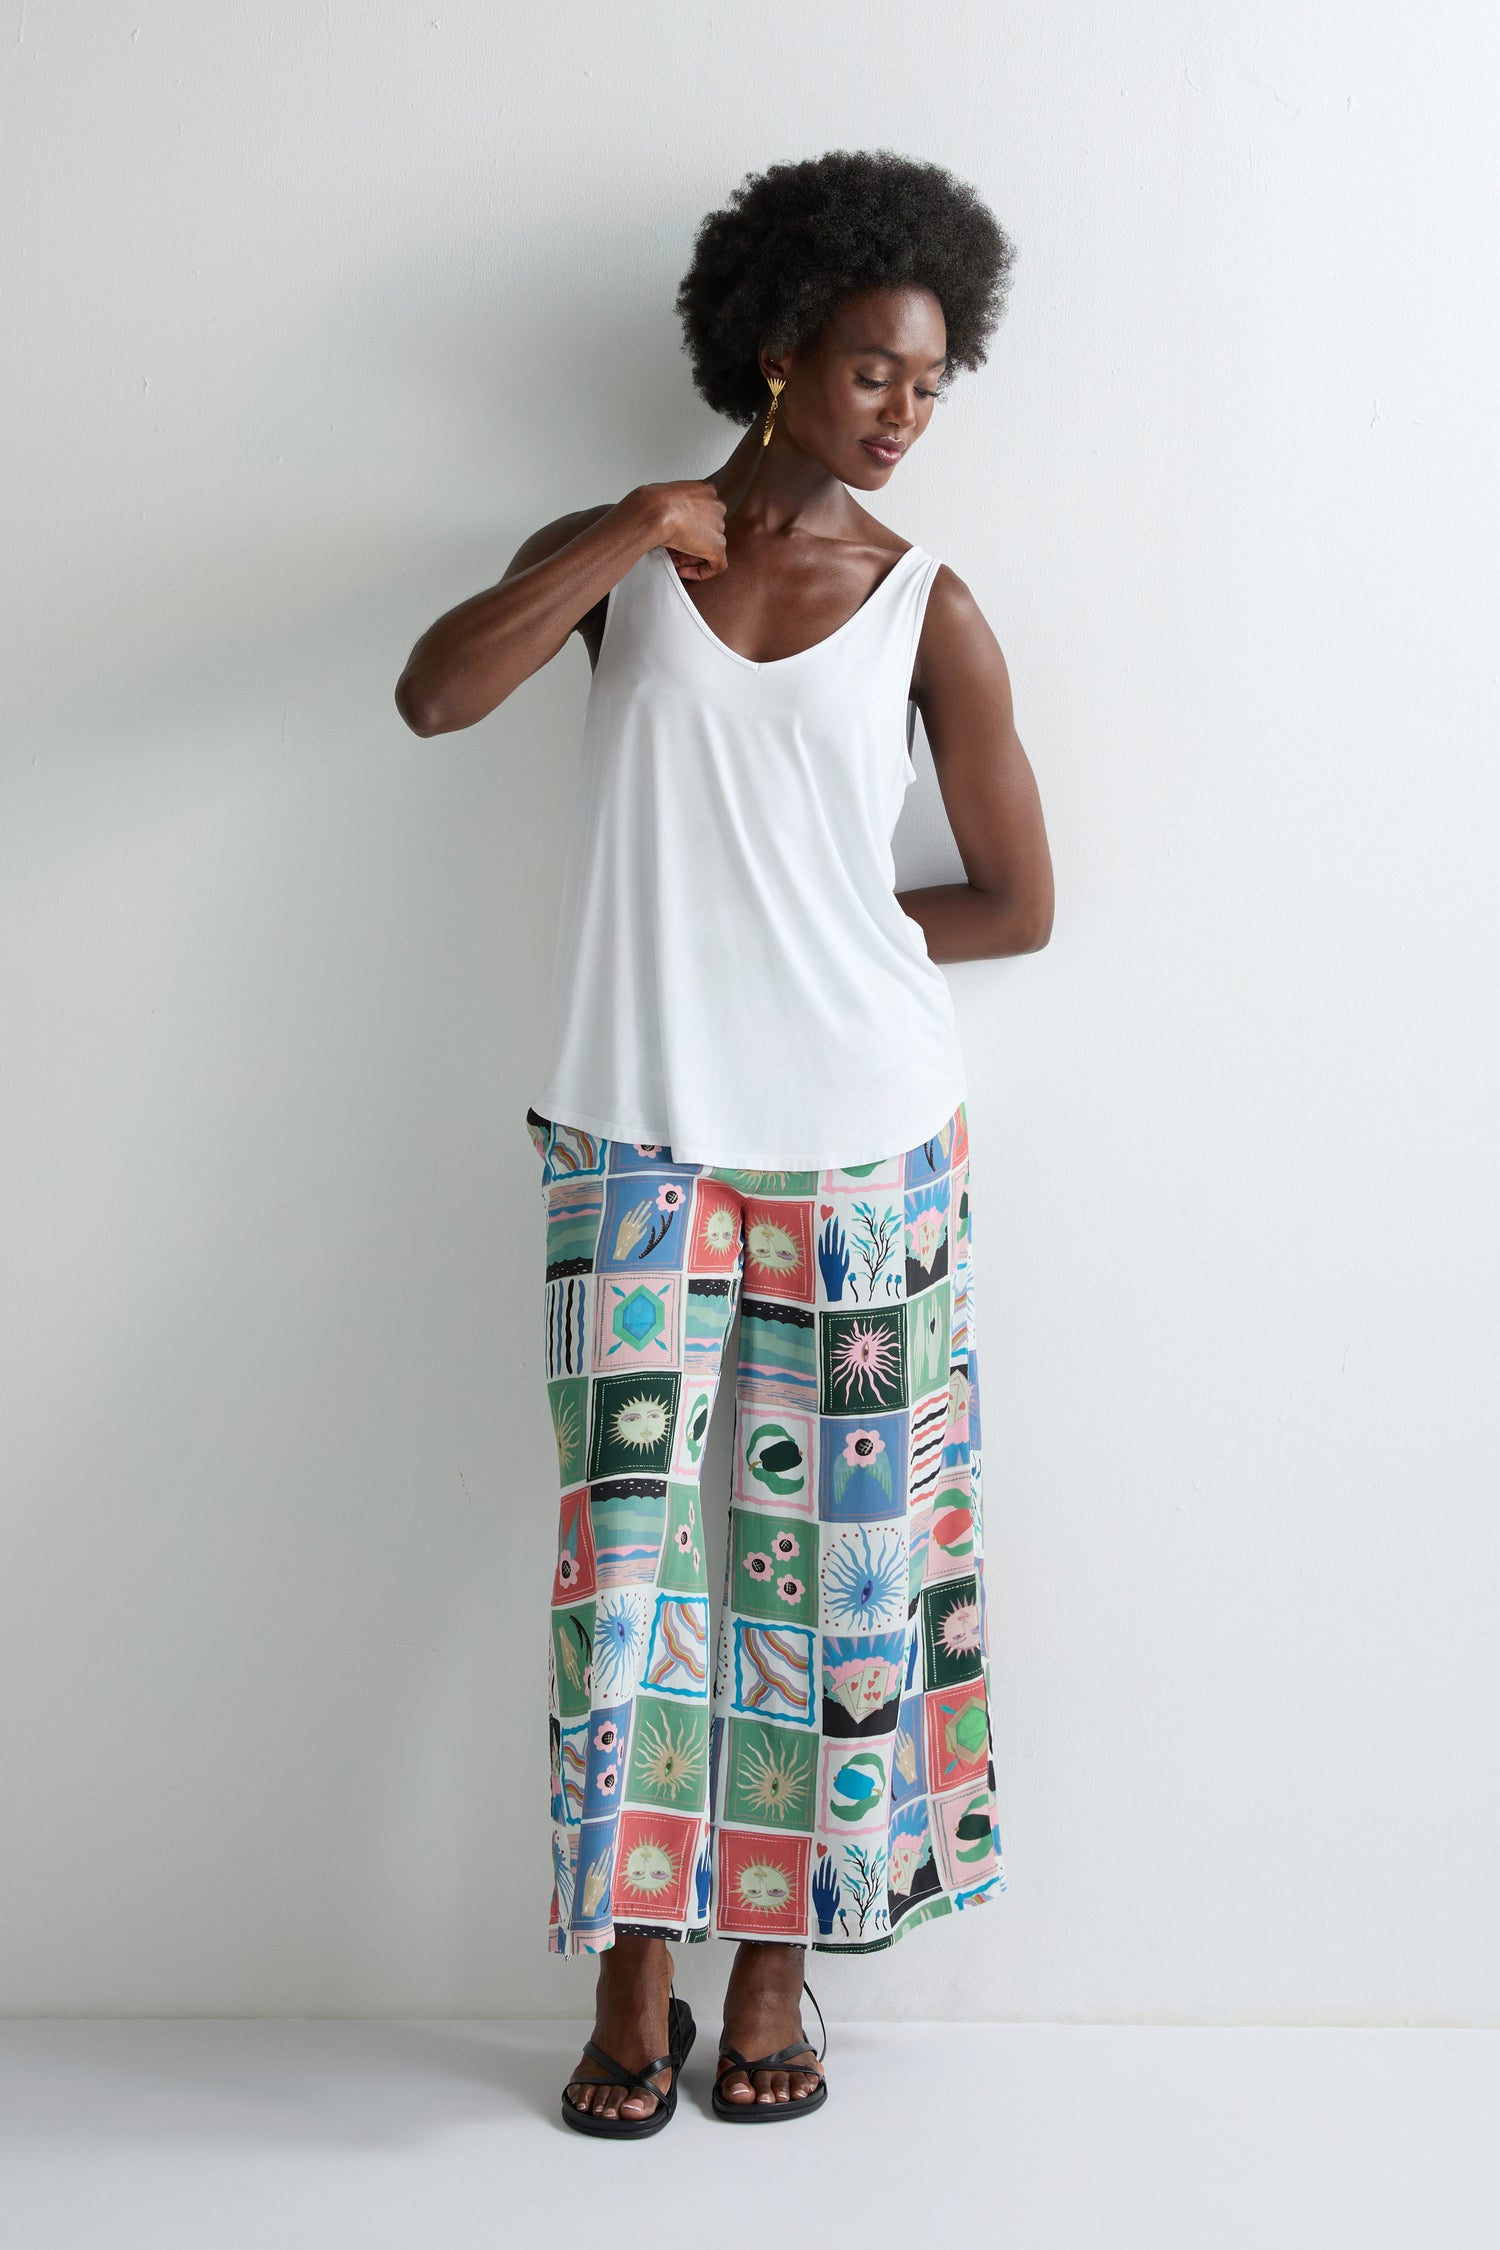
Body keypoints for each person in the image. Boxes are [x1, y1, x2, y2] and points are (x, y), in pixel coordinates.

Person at [395, 148, 1053, 2137]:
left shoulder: (923, 603)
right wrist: (626, 529)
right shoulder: (633, 563)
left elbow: (1017, 900)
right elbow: (436, 696)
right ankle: (634, 1973)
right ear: (778, 353)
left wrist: (832, 939)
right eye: (873, 369)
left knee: (837, 1579)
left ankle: (777, 1974)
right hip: (637, 1144)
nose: (905, 412)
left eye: (933, 382)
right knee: (631, 1576)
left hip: (864, 1154)